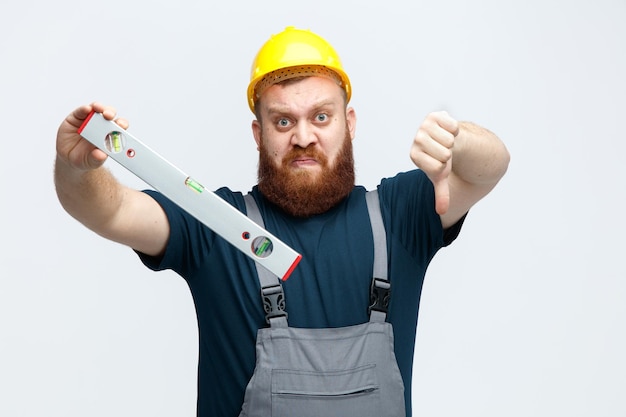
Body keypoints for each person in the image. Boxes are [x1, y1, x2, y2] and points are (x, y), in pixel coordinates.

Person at [55, 27, 510, 417]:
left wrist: (457, 140)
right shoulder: (218, 225)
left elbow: (490, 167)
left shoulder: (398, 216)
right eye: (283, 121)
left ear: (349, 124)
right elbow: (110, 210)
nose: (304, 136)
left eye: (321, 116)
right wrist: (76, 166)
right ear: (259, 134)